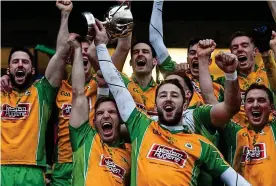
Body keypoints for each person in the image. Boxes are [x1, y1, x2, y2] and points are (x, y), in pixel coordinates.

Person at [93, 18, 251, 186]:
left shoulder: (201, 144)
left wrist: (231, 74)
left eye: (175, 95)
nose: (168, 98)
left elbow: (235, 180)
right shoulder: (141, 126)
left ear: (185, 104)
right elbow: (115, 83)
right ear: (156, 105)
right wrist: (101, 46)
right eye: (162, 95)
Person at [0, 1, 70, 185]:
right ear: (8, 69)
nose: (20, 64)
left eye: (25, 62)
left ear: (32, 70)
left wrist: (65, 14)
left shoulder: (42, 92)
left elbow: (62, 53)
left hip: (33, 169)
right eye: (15, 62)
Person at [67, 34, 131, 186]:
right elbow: (78, 93)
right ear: (93, 121)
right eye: (100, 113)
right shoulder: (84, 139)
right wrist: (77, 50)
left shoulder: (131, 151)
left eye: (112, 112)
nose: (106, 115)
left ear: (120, 120)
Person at [149, 0, 224, 108]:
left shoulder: (219, 86)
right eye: (192, 53)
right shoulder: (175, 74)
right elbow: (155, 40)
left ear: (209, 61)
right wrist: (158, 2)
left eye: (202, 54)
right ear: (187, 58)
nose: (197, 56)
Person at [215, 30, 276, 126]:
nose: (239, 49)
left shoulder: (268, 72)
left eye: (244, 45)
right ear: (231, 53)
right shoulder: (223, 82)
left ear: (255, 51)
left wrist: (274, 46)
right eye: (235, 48)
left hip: (270, 133)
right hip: (237, 136)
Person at [223, 83, 276, 186]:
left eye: (261, 100)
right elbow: (211, 100)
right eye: (250, 101)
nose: (255, 105)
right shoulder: (235, 133)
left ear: (272, 108)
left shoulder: (274, 129)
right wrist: (230, 74)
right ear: (245, 107)